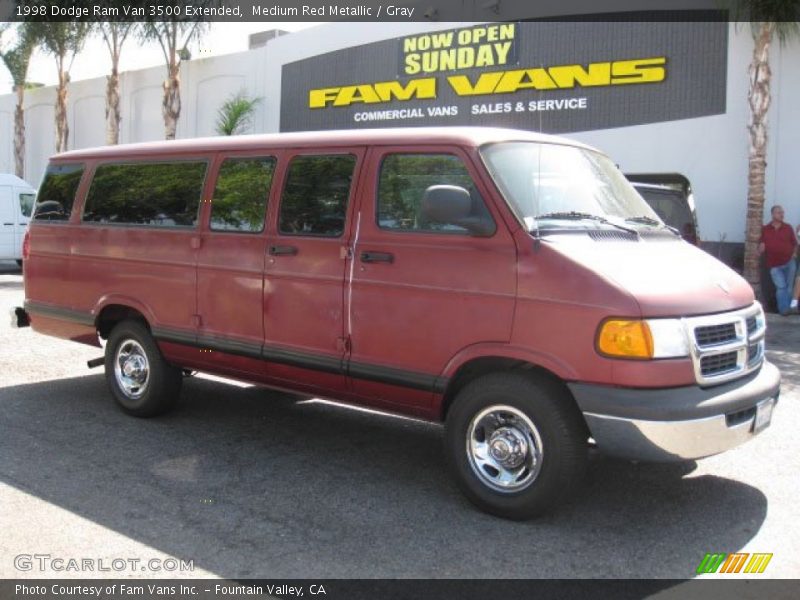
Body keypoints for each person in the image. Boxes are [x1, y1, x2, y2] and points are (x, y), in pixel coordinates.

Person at [758, 205, 797, 315]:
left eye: (782, 212)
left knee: (789, 288)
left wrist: (793, 254)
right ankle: (783, 311)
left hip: (789, 263)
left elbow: (794, 243)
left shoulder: (788, 227)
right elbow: (761, 244)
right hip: (774, 265)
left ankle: (788, 310)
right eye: (779, 212)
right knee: (781, 287)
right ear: (773, 214)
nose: (782, 214)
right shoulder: (766, 229)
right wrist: (761, 248)